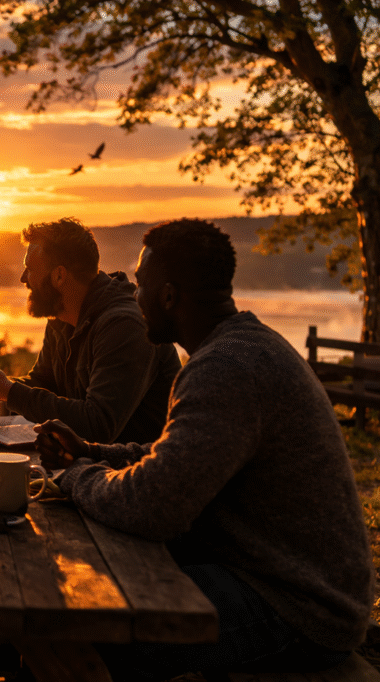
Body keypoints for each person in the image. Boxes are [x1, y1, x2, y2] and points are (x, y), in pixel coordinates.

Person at [35, 219, 373, 679]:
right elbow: (172, 457)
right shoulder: (232, 349)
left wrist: (75, 475)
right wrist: (94, 451)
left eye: (140, 286)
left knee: (83, 628)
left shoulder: (229, 367)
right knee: (81, 590)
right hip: (262, 571)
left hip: (296, 603)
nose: (134, 299)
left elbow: (154, 505)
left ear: (168, 296)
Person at [0, 217, 180, 445]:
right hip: (88, 465)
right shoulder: (63, 317)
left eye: (30, 269)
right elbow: (44, 386)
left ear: (59, 275)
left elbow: (98, 425)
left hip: (137, 474)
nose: (23, 278)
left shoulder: (125, 326)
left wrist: (7, 390)